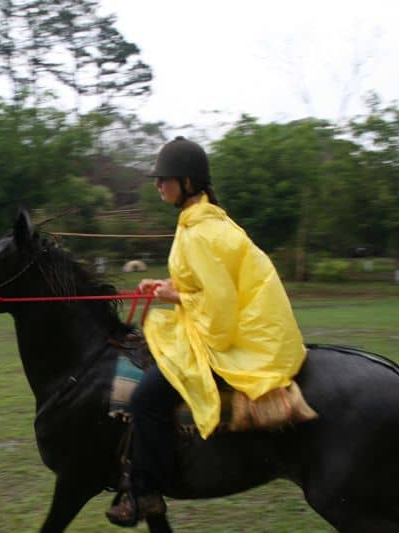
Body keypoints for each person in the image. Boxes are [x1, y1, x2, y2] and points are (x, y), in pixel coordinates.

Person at [106, 137, 307, 527]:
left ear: (186, 181)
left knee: (146, 397)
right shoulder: (204, 221)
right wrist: (167, 285)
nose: (157, 186)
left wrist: (173, 295)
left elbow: (220, 308)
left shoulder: (200, 231)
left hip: (235, 333)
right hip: (238, 321)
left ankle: (148, 491)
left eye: (164, 179)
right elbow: (204, 281)